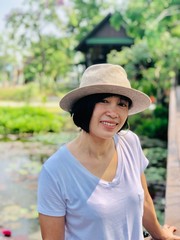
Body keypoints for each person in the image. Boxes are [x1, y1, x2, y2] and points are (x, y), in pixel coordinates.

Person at [37, 64, 180, 240]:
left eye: (122, 104)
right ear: (85, 106)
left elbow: (144, 202)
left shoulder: (130, 143)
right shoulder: (55, 171)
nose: (113, 113)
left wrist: (161, 235)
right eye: (104, 101)